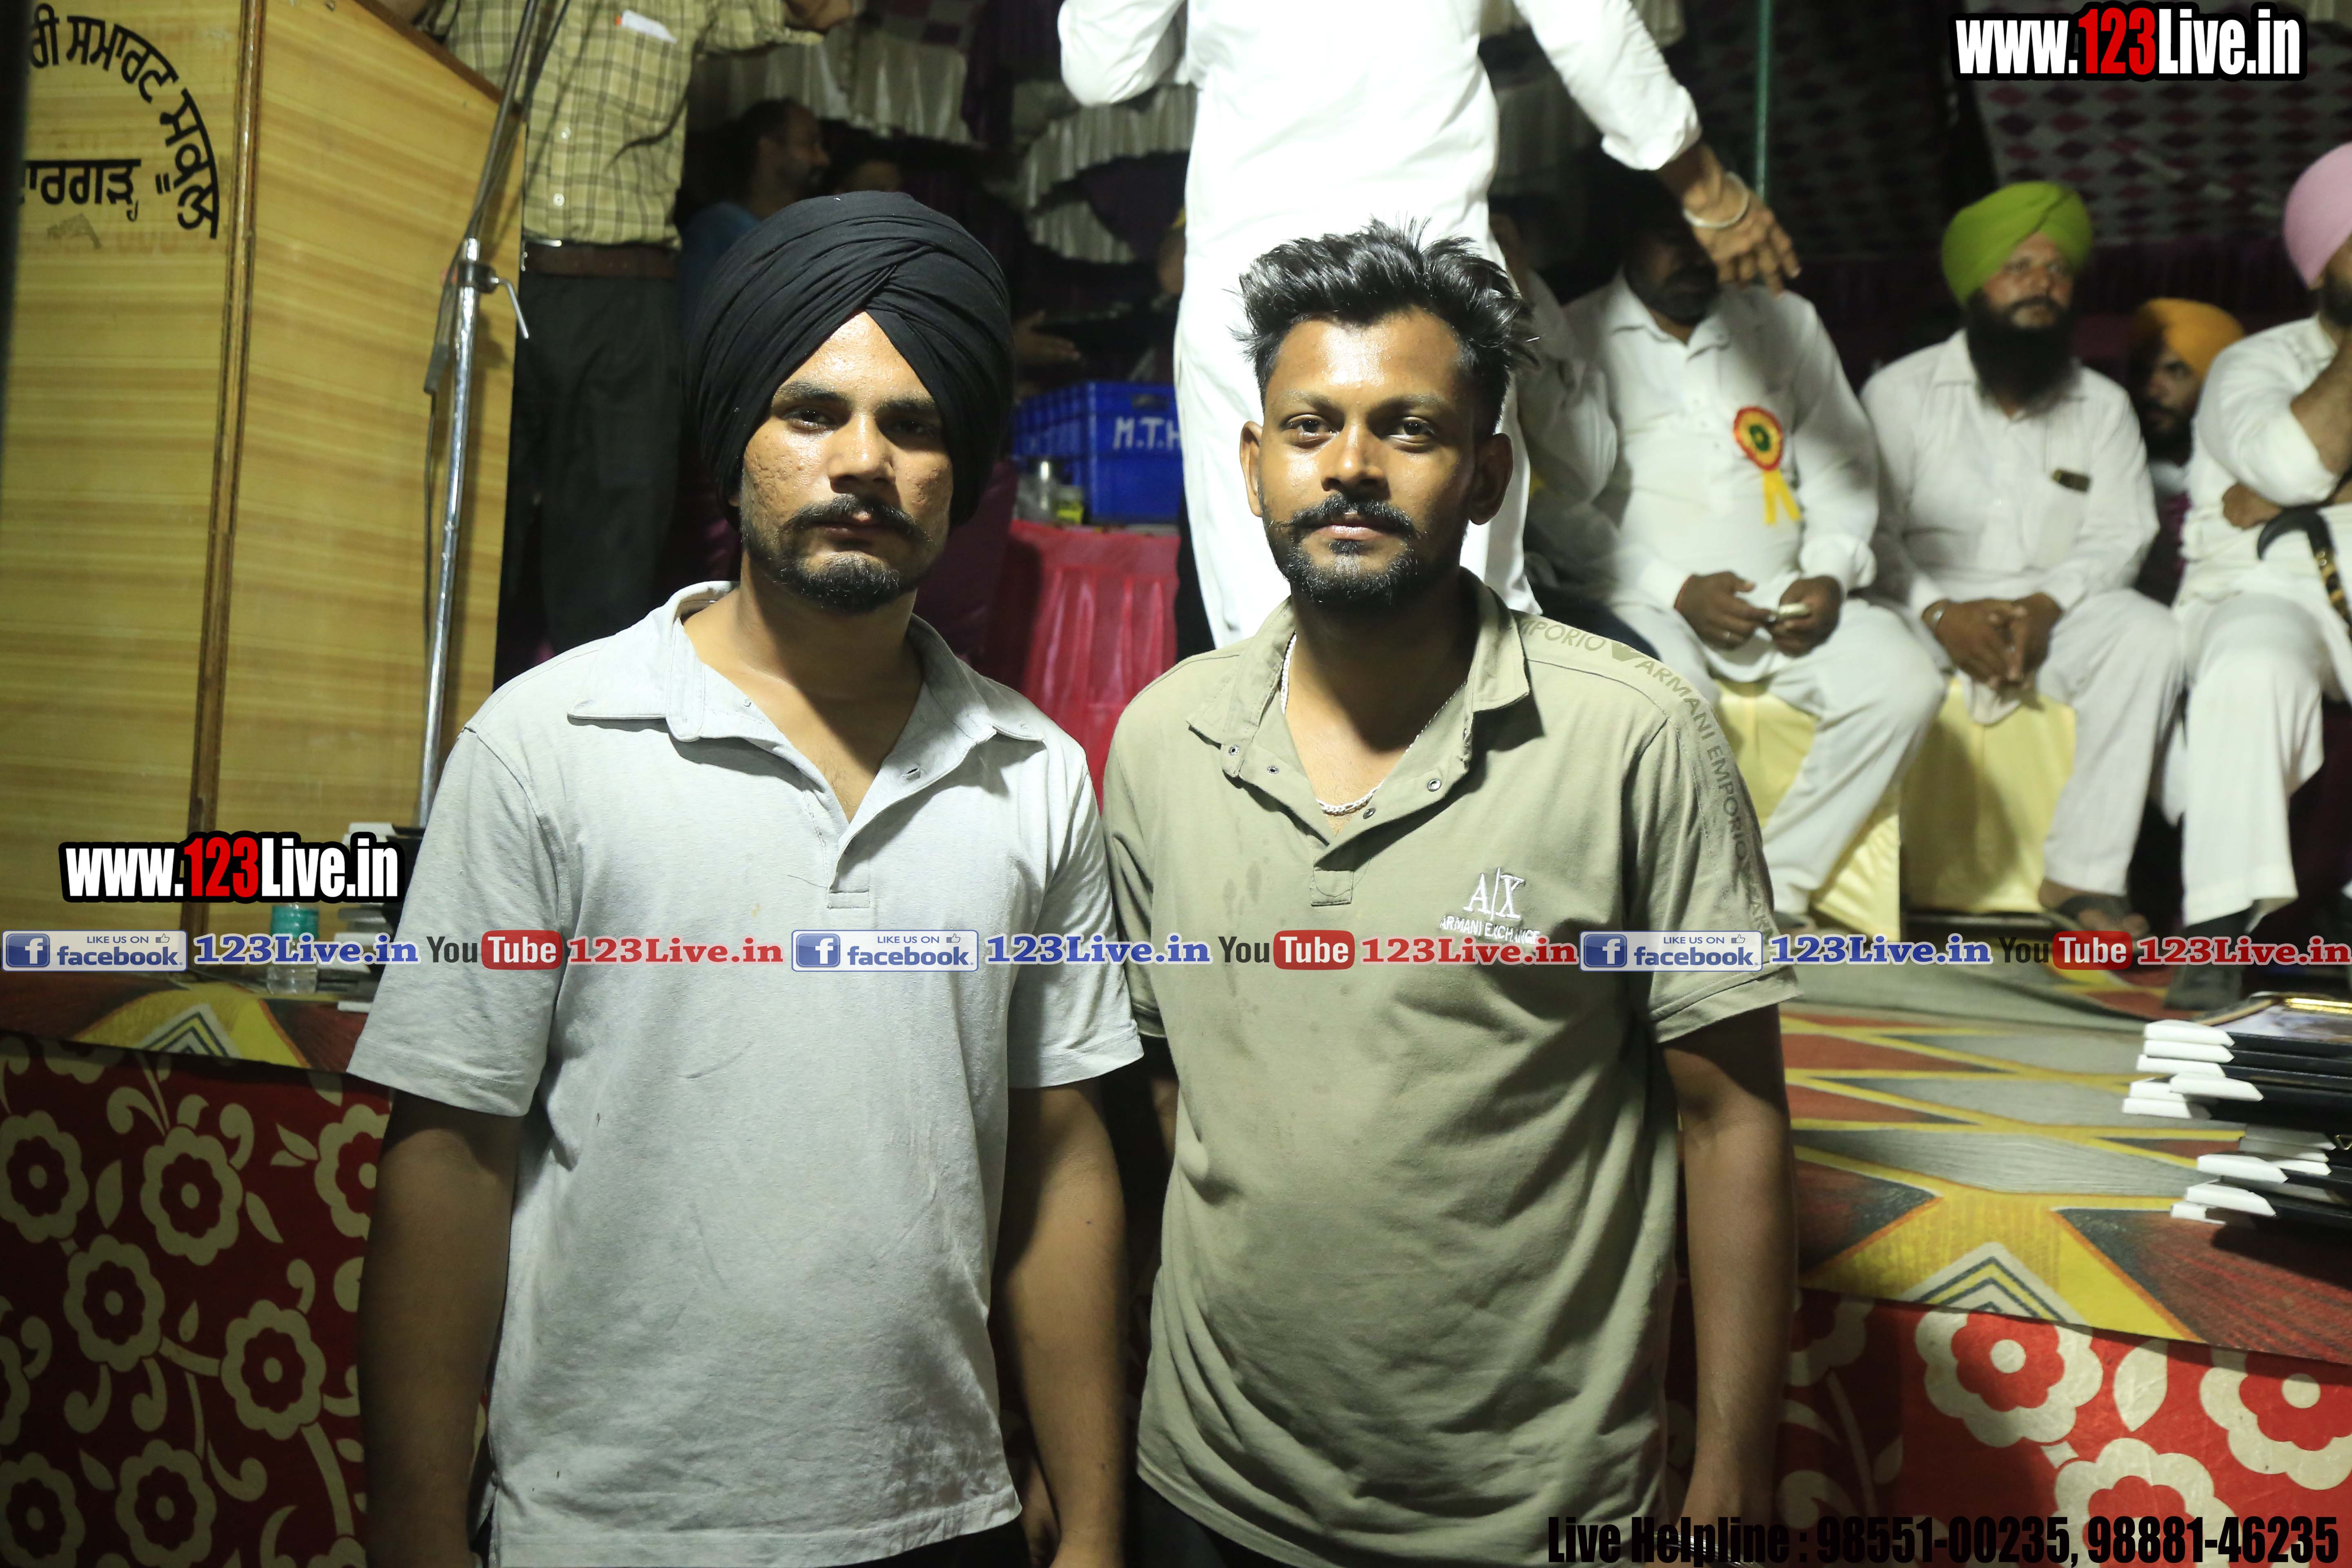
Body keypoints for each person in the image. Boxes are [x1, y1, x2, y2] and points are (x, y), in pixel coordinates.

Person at [355, 193, 1138, 1568]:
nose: (864, 461)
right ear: (734, 442)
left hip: (939, 1517)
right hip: (608, 1531)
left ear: (962, 471)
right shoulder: (548, 747)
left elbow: (1062, 1161)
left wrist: (1095, 1525)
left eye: (914, 425)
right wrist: (417, 1536)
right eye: (813, 413)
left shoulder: (1035, 776)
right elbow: (449, 1168)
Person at [1102, 221, 1798, 1559]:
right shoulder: (1162, 740)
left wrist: (1735, 1468)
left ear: (1487, 472)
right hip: (1207, 1487)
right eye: (1310, 428)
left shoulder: (1632, 736)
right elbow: (1161, 1093)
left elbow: (1730, 1121)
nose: (1350, 468)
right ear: (1252, 466)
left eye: (1409, 429)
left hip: (1528, 1515)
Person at [1060, 0, 1800, 648]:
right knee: (1466, 606)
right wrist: (1707, 189)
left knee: (1269, 611)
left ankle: (1295, 766)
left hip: (1256, 288)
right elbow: (1587, 25)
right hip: (1429, 279)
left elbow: (1103, 67)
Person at [385, 0, 853, 665]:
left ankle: (588, 726)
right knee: (462, 557)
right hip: (488, 282)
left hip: (625, 302)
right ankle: (453, 724)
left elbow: (823, 12)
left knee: (610, 570)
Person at [1540, 178, 1940, 930]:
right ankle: (1688, 896)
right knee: (1672, 696)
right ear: (1628, 235)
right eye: (1673, 236)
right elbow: (1556, 506)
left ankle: (1779, 884)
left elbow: (1843, 467)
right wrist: (1676, 589)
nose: (1696, 255)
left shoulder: (1784, 322)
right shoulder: (1574, 333)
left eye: (1707, 236)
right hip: (1644, 600)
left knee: (1903, 681)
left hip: (1784, 592)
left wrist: (1830, 571)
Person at [1862, 182, 2180, 938]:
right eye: (2020, 266)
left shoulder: (2102, 405)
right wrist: (1942, 613)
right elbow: (1871, 534)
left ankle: (2084, 876)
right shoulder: (1899, 392)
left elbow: (2122, 533)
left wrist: (2045, 605)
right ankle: (1874, 877)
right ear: (1975, 285)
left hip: (2053, 611)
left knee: (2149, 633)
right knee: (1868, 653)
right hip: (1919, 607)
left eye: (2058, 270)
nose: (2043, 282)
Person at [2162, 143, 2352, 1011]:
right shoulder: (2256, 364)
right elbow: (2290, 462)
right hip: (2271, 595)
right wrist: (2302, 483)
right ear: (2321, 267)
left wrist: (2307, 491)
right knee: (2253, 662)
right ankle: (2217, 928)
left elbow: (2294, 482)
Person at [678, 97, 833, 328]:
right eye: (809, 144)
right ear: (769, 150)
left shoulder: (819, 230)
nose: (823, 159)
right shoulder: (714, 231)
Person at [2129, 298, 2245, 603]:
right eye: (2142, 372)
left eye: (2176, 371)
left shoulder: (2253, 466)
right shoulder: (2118, 465)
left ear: (2214, 381)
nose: (2152, 390)